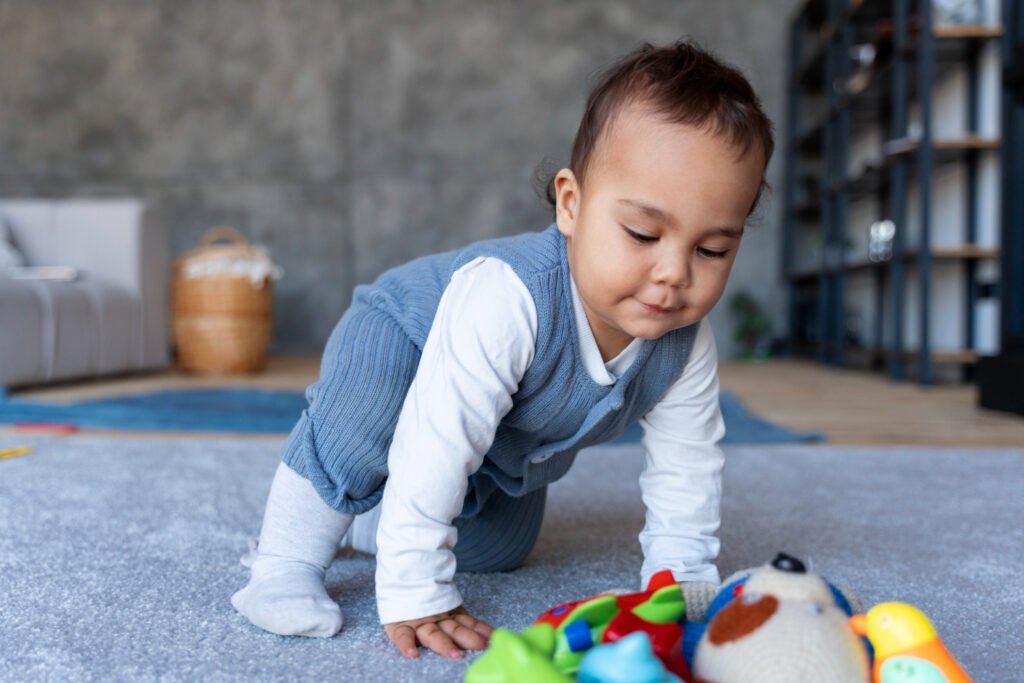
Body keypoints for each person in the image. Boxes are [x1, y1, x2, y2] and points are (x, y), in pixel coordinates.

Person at [231, 38, 774, 660]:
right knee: (363, 435)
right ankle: (283, 562)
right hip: (402, 340)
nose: (674, 272)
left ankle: (371, 521)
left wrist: (681, 590)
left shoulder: (683, 344)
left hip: (508, 441)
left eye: (712, 250)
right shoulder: (509, 295)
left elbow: (689, 468)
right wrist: (416, 588)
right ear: (572, 205)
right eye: (643, 233)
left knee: (498, 550)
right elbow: (442, 437)